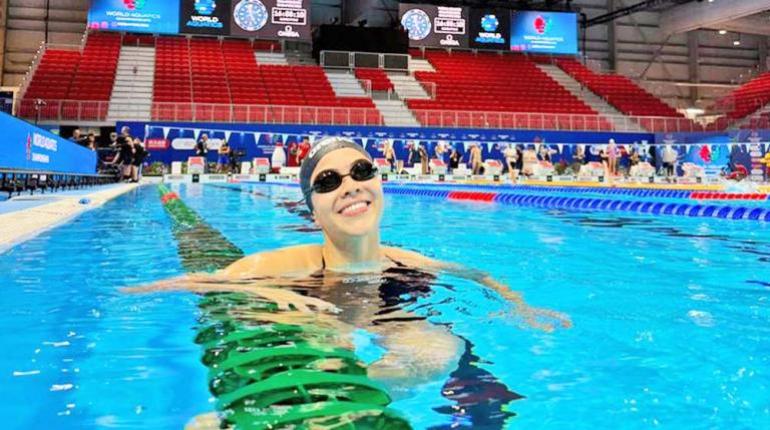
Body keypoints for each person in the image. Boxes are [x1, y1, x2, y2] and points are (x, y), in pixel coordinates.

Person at [128, 137, 570, 385]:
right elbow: (188, 283)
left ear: (378, 183)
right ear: (312, 208)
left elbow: (482, 276)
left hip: (390, 311)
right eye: (328, 181)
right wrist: (265, 294)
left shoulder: (407, 261)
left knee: (438, 351)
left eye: (361, 172)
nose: (351, 186)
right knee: (324, 348)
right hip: (320, 304)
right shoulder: (286, 263)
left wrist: (520, 306)